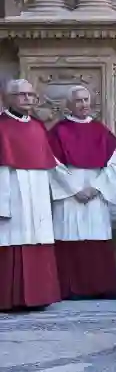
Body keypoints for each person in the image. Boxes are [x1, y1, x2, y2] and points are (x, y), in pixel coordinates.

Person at [48, 85, 116, 301]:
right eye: (78, 101)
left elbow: (113, 165)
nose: (83, 105)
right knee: (70, 234)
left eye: (86, 100)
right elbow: (53, 165)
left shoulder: (101, 132)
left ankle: (99, 286)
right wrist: (73, 189)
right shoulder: (58, 131)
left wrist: (96, 187)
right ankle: (71, 288)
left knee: (96, 235)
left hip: (95, 192)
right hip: (69, 193)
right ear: (69, 105)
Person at [0, 79, 62, 311]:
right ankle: (10, 298)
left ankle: (39, 296)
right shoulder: (2, 126)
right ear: (8, 98)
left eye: (31, 95)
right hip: (12, 189)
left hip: (37, 191)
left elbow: (48, 165)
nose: (27, 99)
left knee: (38, 237)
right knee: (11, 240)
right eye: (22, 95)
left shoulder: (37, 126)